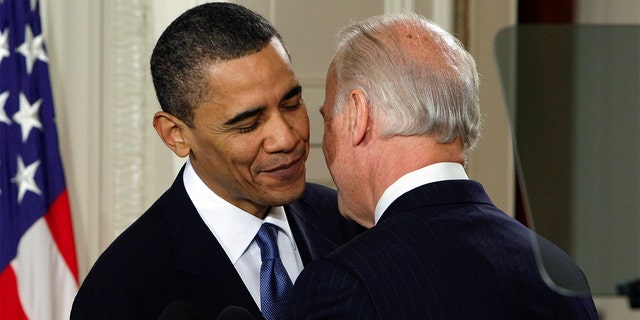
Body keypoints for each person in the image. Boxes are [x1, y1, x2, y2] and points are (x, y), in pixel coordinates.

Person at [287, 13, 599, 319]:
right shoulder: (560, 271)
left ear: (358, 115)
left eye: (328, 118)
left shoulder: (345, 284)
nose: (323, 142)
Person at [70, 3, 360, 319]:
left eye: (291, 104)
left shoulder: (350, 223)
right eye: (248, 124)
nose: (287, 139)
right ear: (176, 135)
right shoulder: (121, 291)